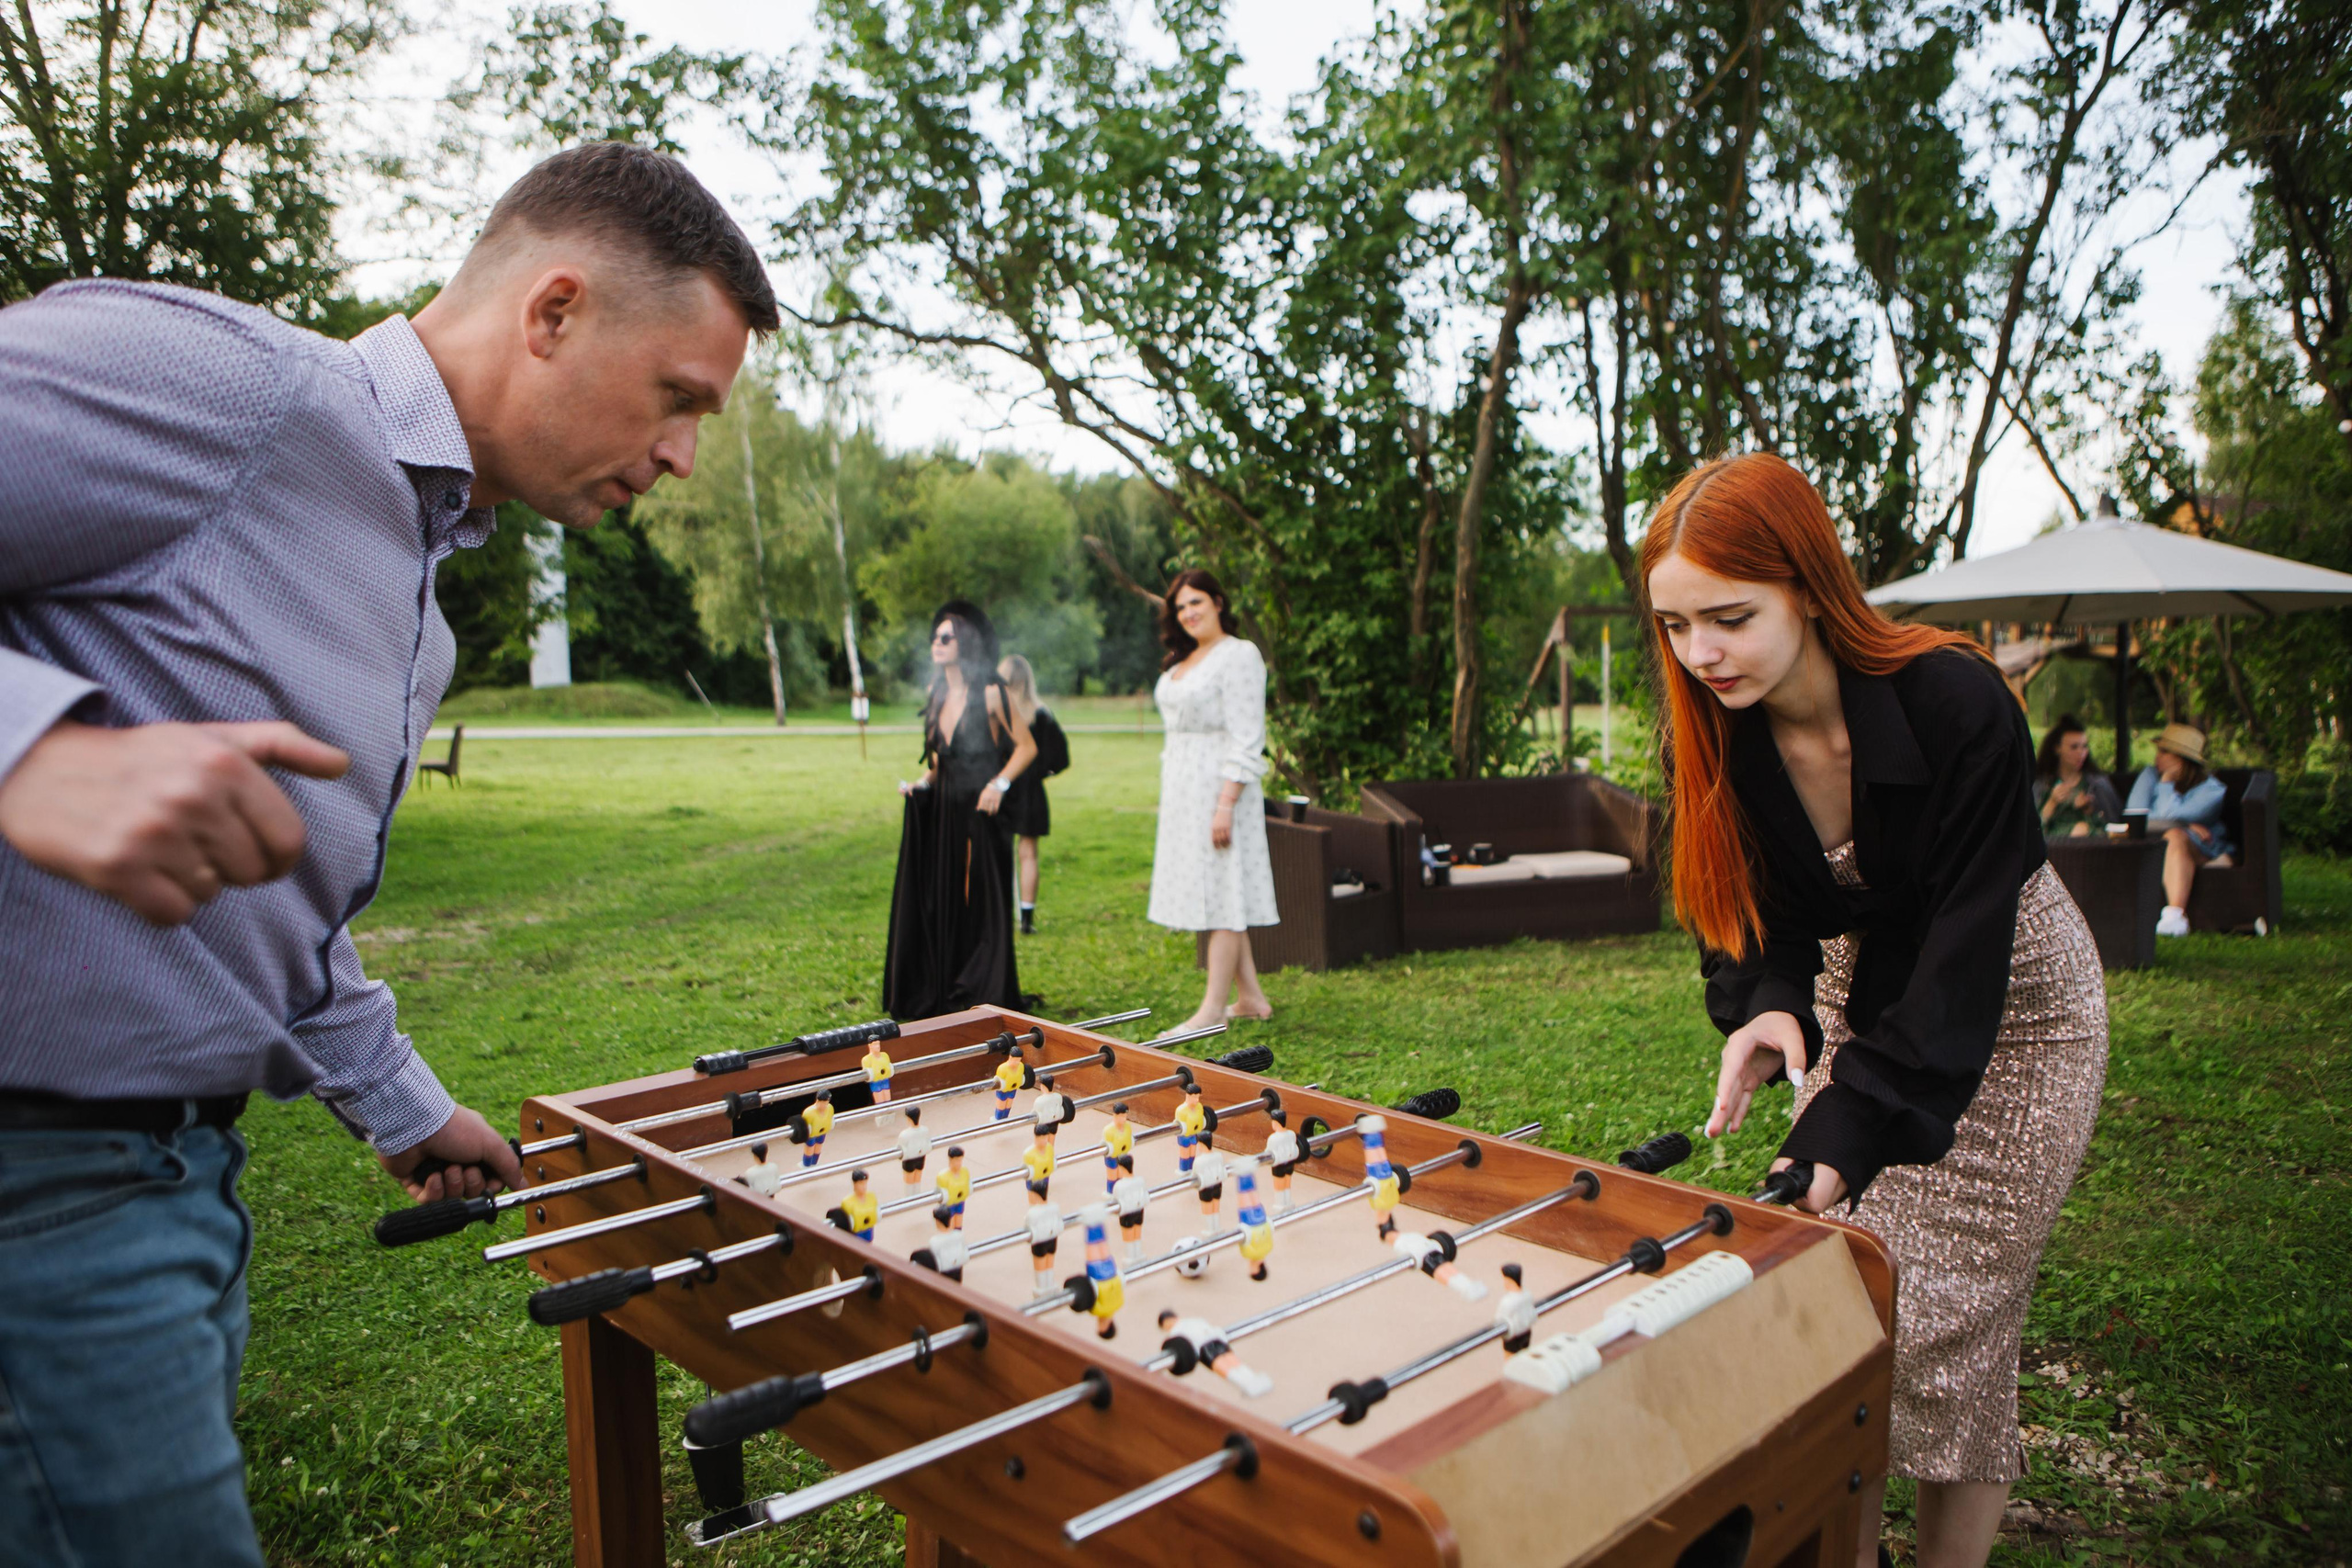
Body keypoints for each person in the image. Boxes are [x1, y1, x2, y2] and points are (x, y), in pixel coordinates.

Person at [0, 141, 775, 1563]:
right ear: (552, 312)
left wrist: (398, 1099)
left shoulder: (421, 614)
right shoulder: (227, 384)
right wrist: (33, 755)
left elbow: (262, 899)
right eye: (679, 400)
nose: (680, 457)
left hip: (180, 1178)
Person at [1646, 453, 2108, 1568]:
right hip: (1865, 997)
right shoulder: (1713, 723)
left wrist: (1851, 1117)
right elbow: (1748, 907)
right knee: (1836, 1300)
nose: (1698, 653)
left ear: (1807, 586)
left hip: (2016, 1003)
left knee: (1954, 1314)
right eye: (1673, 623)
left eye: (1728, 618)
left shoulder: (1955, 702)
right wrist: (1765, 1003)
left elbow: (1960, 956)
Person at [882, 602, 1037, 1018]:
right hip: (945, 808)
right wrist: (922, 784)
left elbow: (1027, 747)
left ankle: (979, 988)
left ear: (965, 642)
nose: (937, 643)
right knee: (943, 891)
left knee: (977, 896)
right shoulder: (937, 694)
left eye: (946, 637)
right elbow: (939, 760)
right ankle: (945, 980)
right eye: (935, 636)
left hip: (981, 808)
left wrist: (999, 783)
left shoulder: (991, 693)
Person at [1147, 570, 1278, 1032]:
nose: (1189, 613)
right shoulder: (1182, 659)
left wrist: (1225, 804)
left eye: (1197, 602)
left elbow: (1247, 738)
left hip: (1221, 790)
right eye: (1181, 607)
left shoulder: (1239, 656)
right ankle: (1252, 998)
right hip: (1185, 790)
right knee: (1222, 890)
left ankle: (1210, 1012)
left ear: (1219, 602)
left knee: (1221, 893)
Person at [2126, 723, 2234, 937]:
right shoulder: (2149, 776)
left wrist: (2166, 786)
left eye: (2165, 752)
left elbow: (2170, 816)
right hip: (2151, 844)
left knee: (2174, 837)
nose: (2157, 757)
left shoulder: (2212, 791)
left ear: (2183, 759)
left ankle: (2174, 916)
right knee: (2174, 833)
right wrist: (2182, 824)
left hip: (2201, 846)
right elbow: (2134, 817)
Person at [996, 653, 1069, 934]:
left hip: (1000, 787)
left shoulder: (996, 712)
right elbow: (1061, 758)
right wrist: (1040, 773)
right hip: (1030, 791)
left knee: (1000, 852)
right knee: (1028, 854)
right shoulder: (1042, 714)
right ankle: (1026, 918)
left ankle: (1001, 912)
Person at [2032, 714, 2122, 839]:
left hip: (2091, 849)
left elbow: (2113, 827)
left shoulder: (2097, 783)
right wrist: (2051, 804)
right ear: (2057, 748)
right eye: (2074, 747)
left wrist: (2089, 811)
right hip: (2054, 849)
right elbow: (2030, 832)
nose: (2081, 753)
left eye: (2084, 746)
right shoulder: (2041, 784)